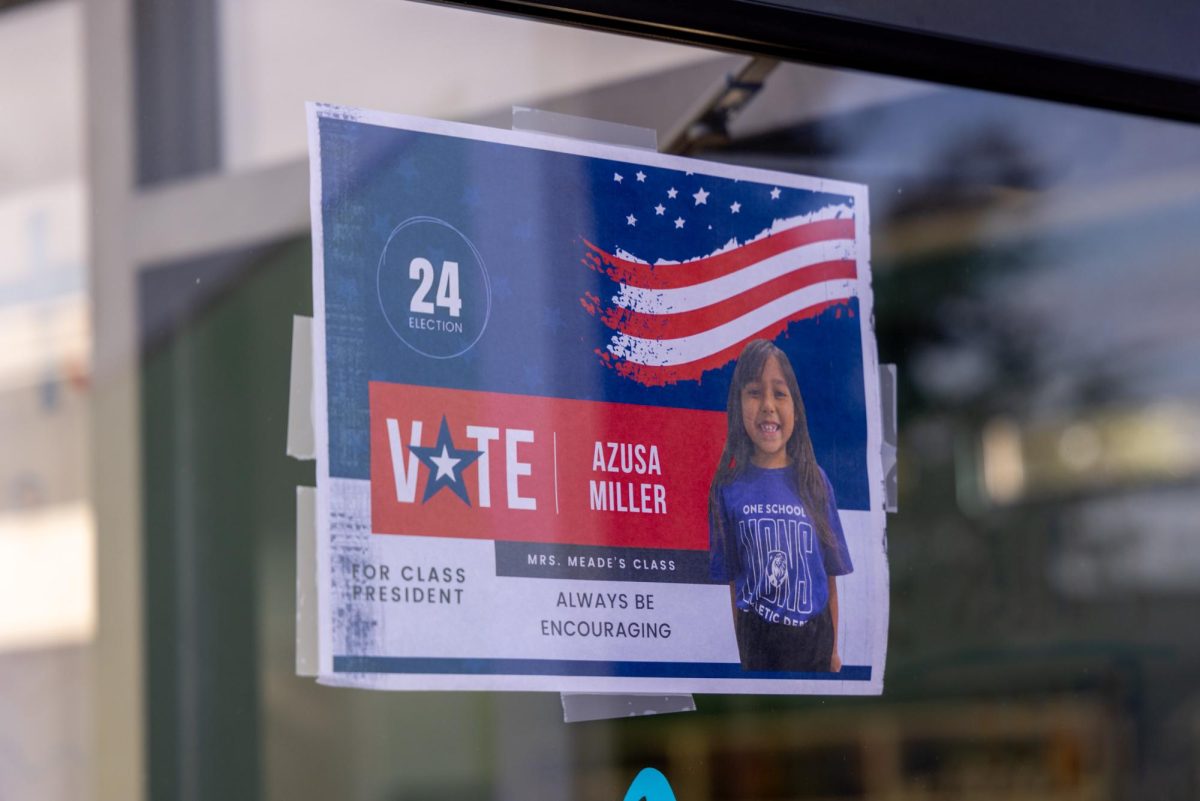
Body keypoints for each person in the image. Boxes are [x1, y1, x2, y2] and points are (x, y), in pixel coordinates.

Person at [708, 339, 853, 672]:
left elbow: (829, 575)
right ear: (737, 403)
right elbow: (734, 582)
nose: (768, 406)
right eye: (755, 392)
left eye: (780, 393)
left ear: (796, 408)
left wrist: (832, 652)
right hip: (759, 641)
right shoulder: (728, 490)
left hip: (814, 641)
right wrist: (744, 653)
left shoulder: (815, 481)